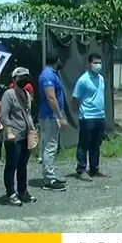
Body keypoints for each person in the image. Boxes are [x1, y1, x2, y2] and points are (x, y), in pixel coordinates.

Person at [0, 67, 37, 206]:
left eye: (26, 76)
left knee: (23, 165)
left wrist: (32, 130)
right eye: (21, 77)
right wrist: (8, 131)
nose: (24, 79)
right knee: (12, 165)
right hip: (13, 136)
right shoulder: (9, 94)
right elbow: (4, 115)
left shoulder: (26, 94)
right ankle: (10, 192)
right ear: (14, 79)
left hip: (25, 134)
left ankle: (23, 191)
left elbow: (28, 114)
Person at [73, 53, 108, 179]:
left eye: (99, 63)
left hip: (100, 116)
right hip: (87, 116)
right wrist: (78, 114)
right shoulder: (83, 80)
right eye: (95, 63)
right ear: (89, 64)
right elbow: (75, 98)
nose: (98, 65)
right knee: (84, 144)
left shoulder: (101, 79)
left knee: (96, 144)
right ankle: (81, 169)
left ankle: (94, 168)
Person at [38, 52, 68, 192]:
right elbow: (51, 97)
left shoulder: (51, 74)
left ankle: (51, 175)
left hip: (51, 116)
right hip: (49, 116)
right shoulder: (48, 75)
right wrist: (60, 116)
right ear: (58, 60)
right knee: (50, 147)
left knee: (50, 146)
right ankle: (49, 180)